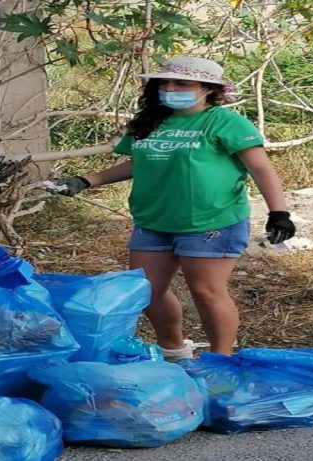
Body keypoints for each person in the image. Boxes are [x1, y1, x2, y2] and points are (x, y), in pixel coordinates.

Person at [53, 56, 295, 359]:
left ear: (207, 89)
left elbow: (261, 168)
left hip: (211, 222)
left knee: (206, 292)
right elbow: (135, 163)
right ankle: (174, 350)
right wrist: (85, 180)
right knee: (146, 291)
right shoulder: (149, 121)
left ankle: (221, 360)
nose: (169, 88)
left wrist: (279, 212)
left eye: (181, 83)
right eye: (163, 82)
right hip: (153, 220)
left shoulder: (224, 121)